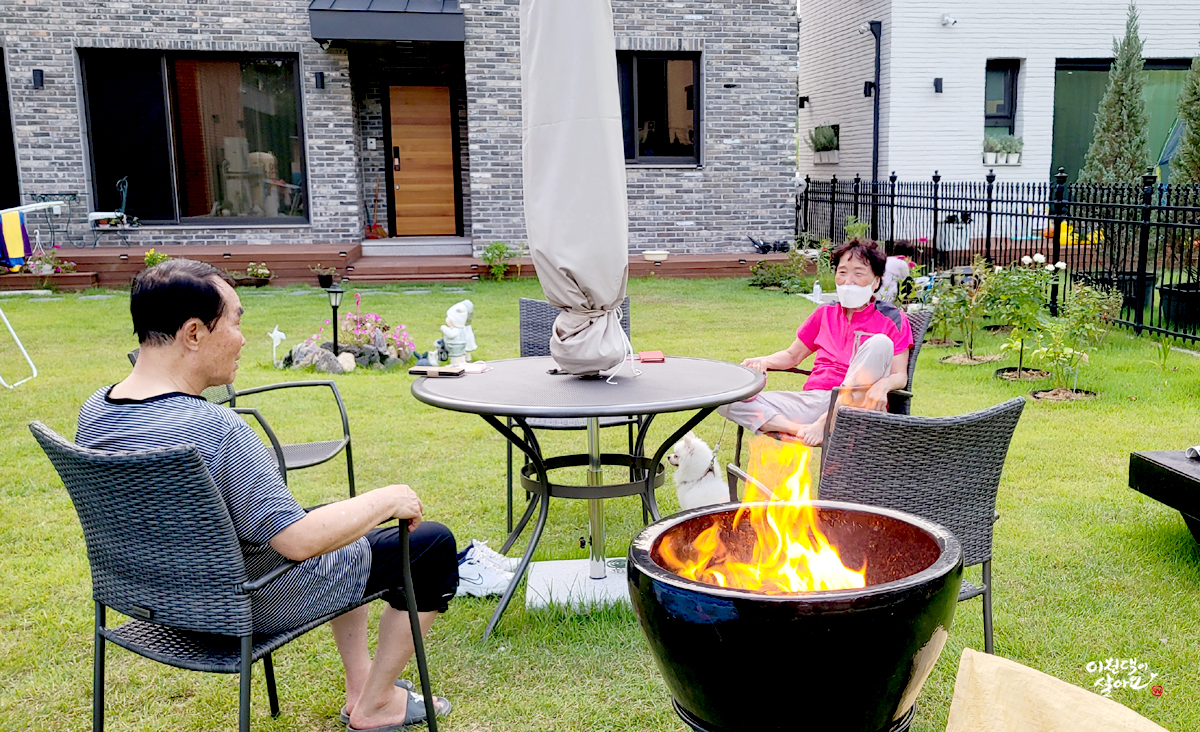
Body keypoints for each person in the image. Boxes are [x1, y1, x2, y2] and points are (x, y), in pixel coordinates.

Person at [75, 259, 455, 732]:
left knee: (342, 519)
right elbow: (298, 542)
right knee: (430, 545)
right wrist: (388, 498)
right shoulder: (216, 428)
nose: (242, 338)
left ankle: (361, 686)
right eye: (235, 322)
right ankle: (376, 704)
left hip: (159, 604)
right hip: (242, 604)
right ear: (193, 333)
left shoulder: (97, 410)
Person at [719, 239, 914, 446]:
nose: (848, 281)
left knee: (880, 343)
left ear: (875, 281)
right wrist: (763, 361)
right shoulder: (825, 313)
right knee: (726, 399)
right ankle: (799, 429)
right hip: (814, 400)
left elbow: (899, 376)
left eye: (858, 273)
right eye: (842, 272)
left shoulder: (892, 319)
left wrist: (883, 385)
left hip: (858, 406)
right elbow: (792, 355)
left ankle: (825, 423)